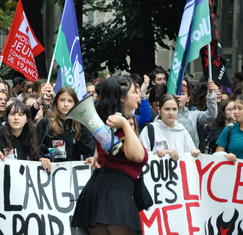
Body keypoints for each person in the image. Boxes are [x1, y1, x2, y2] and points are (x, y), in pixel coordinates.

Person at [71, 76, 148, 235]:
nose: (137, 95)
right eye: (134, 92)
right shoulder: (120, 125)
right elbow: (138, 156)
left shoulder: (106, 124)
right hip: (114, 198)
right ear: (121, 98)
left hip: (97, 194)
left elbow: (103, 152)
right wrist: (125, 124)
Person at [0, 102, 51, 170]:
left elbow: (35, 156)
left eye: (20, 114)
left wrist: (42, 159)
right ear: (7, 118)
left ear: (26, 119)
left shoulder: (30, 138)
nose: (16, 118)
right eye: (12, 114)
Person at [36, 86, 95, 162]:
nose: (66, 104)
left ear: (75, 104)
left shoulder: (78, 125)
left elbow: (88, 149)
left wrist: (81, 121)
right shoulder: (45, 123)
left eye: (70, 101)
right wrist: (41, 158)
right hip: (50, 169)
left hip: (71, 170)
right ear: (56, 102)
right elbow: (34, 147)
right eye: (62, 100)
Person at [139, 94, 199, 161]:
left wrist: (195, 153)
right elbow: (141, 156)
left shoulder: (183, 132)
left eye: (174, 109)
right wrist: (160, 154)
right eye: (167, 109)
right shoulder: (149, 130)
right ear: (159, 110)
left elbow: (191, 159)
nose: (171, 113)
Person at [176, 78, 217, 149]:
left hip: (190, 156)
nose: (179, 96)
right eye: (176, 94)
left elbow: (211, 115)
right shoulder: (163, 116)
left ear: (188, 98)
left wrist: (211, 95)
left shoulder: (193, 115)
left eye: (182, 94)